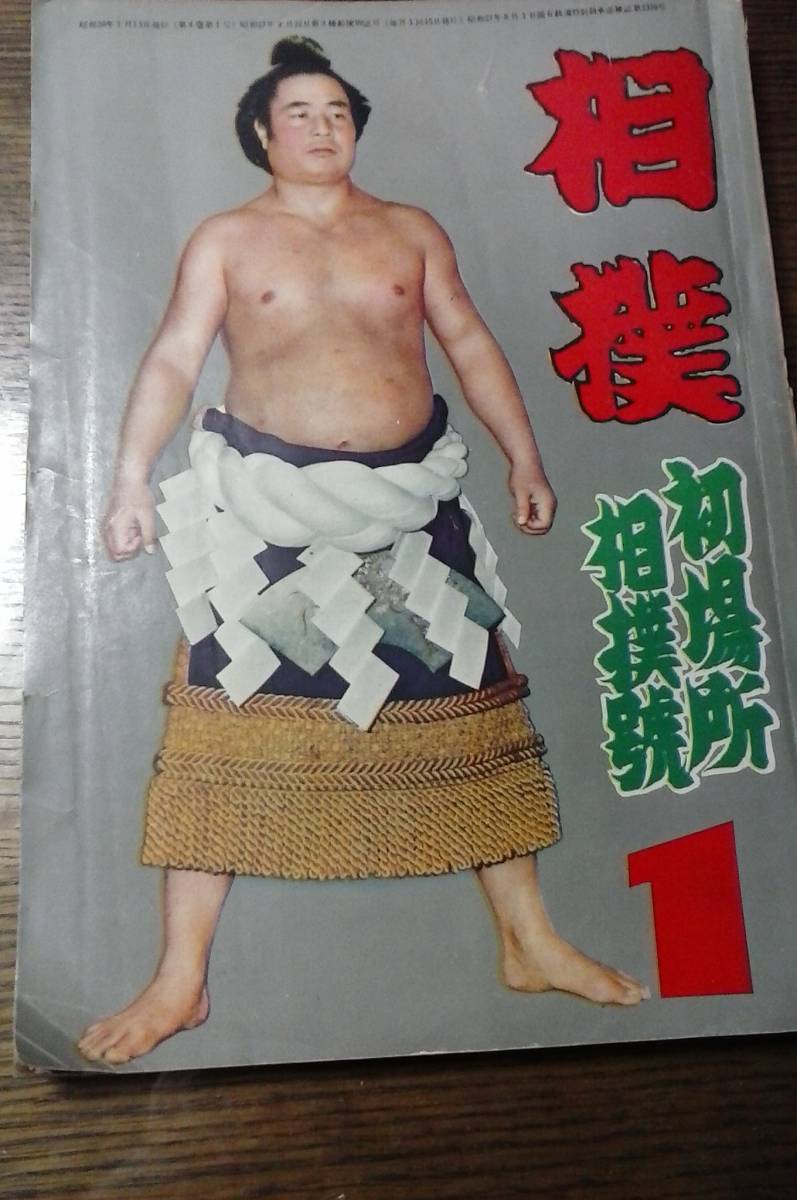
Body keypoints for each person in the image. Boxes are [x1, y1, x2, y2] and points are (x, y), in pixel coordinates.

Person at [78, 39, 647, 1067]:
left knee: (473, 713)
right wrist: (127, 480)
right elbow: (171, 358)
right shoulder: (225, 239)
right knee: (222, 730)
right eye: (299, 112)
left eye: (336, 111)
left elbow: (467, 343)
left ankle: (528, 942)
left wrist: (523, 457)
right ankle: (179, 980)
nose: (321, 126)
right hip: (261, 512)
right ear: (262, 132)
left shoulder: (409, 231)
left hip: (409, 506)